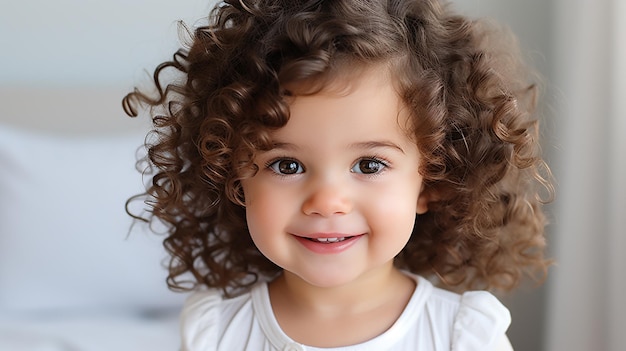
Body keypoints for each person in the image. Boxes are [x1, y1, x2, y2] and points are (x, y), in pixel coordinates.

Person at [123, 0, 554, 350]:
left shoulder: (462, 336)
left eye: (369, 165)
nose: (327, 201)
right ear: (233, 179)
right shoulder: (214, 334)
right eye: (287, 165)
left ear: (433, 181)